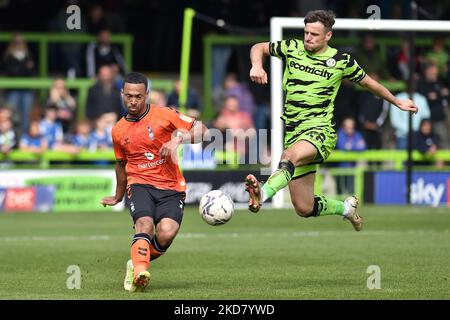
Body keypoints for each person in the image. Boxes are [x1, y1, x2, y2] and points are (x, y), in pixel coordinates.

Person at [244, 10, 418, 231]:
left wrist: (396, 101)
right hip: (294, 133)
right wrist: (257, 65)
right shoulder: (292, 47)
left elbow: (369, 83)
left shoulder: (340, 61)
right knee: (304, 207)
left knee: (288, 156)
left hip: (320, 131)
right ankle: (346, 209)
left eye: (314, 34)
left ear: (328, 36)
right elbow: (258, 47)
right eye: (306, 32)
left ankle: (263, 193)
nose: (308, 37)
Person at [100, 72, 208, 292]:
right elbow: (121, 165)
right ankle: (140, 272)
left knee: (166, 233)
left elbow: (202, 130)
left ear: (147, 95)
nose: (133, 101)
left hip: (170, 186)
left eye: (138, 96)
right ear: (122, 94)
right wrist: (118, 195)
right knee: (145, 225)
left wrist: (177, 139)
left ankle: (136, 262)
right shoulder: (118, 130)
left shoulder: (165, 115)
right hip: (139, 184)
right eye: (129, 95)